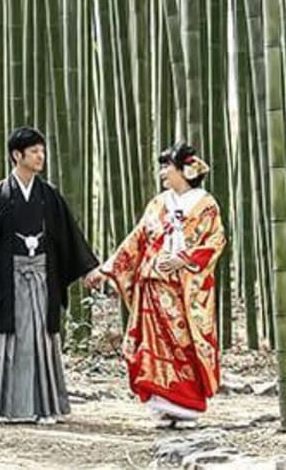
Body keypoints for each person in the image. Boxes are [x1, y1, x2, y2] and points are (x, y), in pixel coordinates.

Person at [0, 126, 99, 426]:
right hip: (5, 279)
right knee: (0, 341)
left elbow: (69, 236)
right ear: (16, 155)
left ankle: (44, 407)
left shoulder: (49, 196)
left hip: (41, 277)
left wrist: (88, 269)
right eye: (34, 152)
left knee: (40, 340)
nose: (40, 156)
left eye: (42, 151)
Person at [84, 143, 226, 428]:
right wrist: (107, 268)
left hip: (183, 290)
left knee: (183, 345)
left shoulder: (206, 205)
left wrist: (182, 260)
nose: (162, 173)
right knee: (151, 344)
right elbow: (137, 239)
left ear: (184, 171)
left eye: (167, 167)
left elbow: (215, 241)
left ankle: (186, 404)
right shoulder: (158, 204)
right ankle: (162, 403)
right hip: (151, 285)